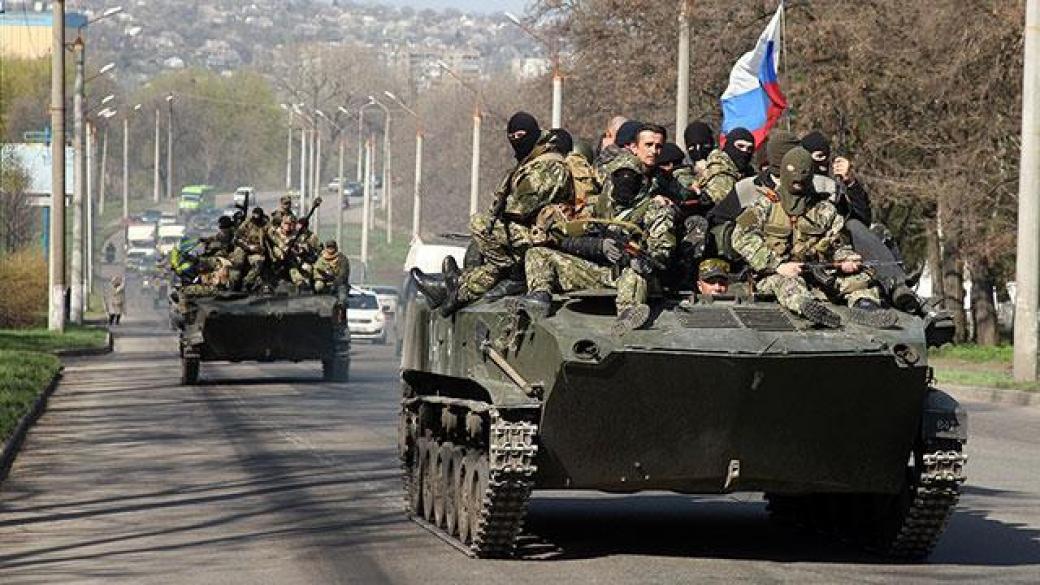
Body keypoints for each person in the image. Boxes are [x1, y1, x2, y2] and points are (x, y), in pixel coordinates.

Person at [412, 112, 573, 315]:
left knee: (481, 226)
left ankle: (475, 282)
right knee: (491, 254)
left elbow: (520, 208)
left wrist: (499, 218)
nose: (516, 141)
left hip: (548, 237)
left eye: (520, 136)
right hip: (531, 235)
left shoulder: (551, 166)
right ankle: (452, 287)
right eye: (511, 137)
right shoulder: (528, 164)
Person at [731, 147, 896, 329]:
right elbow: (741, 237)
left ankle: (865, 307)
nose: (798, 185)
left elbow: (838, 242)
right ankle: (808, 308)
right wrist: (777, 265)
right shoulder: (763, 205)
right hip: (775, 273)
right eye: (794, 180)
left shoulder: (824, 210)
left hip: (818, 273)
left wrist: (846, 259)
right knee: (788, 285)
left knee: (860, 278)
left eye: (803, 179)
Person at [696, 127, 756, 204]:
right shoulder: (719, 169)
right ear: (729, 145)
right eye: (740, 146)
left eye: (749, 148)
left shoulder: (746, 171)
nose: (745, 151)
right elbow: (725, 199)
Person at [231, 207, 269, 291]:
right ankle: (233, 283)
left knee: (259, 263)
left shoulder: (264, 225)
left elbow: (269, 236)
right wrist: (246, 246)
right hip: (243, 247)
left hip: (256, 250)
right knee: (238, 262)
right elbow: (236, 237)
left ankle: (246, 282)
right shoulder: (247, 223)